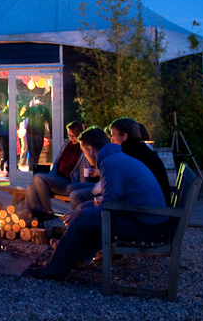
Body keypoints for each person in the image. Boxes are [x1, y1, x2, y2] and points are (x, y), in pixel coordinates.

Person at [24, 127, 170, 281]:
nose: (86, 156)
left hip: (146, 223)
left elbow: (109, 205)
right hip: (149, 216)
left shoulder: (109, 163)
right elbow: (114, 198)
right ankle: (77, 258)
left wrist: (80, 214)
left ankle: (54, 270)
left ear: (90, 149)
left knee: (80, 221)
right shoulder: (116, 157)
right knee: (85, 209)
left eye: (84, 152)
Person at [22, 121, 86, 220]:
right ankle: (31, 216)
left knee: (38, 177)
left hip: (69, 183)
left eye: (73, 136)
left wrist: (82, 189)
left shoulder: (83, 150)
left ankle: (47, 211)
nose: (70, 138)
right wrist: (51, 177)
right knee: (31, 186)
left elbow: (83, 172)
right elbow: (57, 162)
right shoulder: (67, 145)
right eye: (69, 135)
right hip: (58, 179)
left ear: (79, 135)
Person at [109, 117, 171, 205]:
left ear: (124, 136)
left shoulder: (129, 155)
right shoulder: (143, 151)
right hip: (158, 204)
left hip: (150, 211)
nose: (112, 140)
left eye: (114, 135)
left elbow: (117, 186)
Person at [23, 94, 51, 168]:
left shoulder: (30, 109)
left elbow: (21, 117)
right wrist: (51, 134)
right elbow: (50, 122)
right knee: (37, 153)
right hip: (39, 133)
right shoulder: (45, 110)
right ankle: (34, 167)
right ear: (42, 101)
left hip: (30, 133)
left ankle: (31, 168)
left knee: (31, 152)